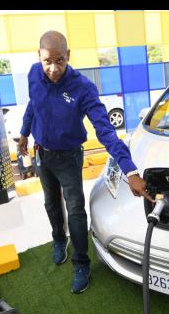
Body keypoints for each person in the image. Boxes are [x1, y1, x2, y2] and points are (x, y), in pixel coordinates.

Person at [18, 31, 152, 294]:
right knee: (50, 203)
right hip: (42, 154)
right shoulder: (34, 74)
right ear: (39, 57)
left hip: (68, 158)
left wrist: (131, 171)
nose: (53, 68)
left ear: (68, 56)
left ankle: (81, 263)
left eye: (60, 60)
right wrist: (23, 134)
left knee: (76, 210)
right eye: (47, 61)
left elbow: (106, 132)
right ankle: (58, 240)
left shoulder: (83, 88)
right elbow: (33, 106)